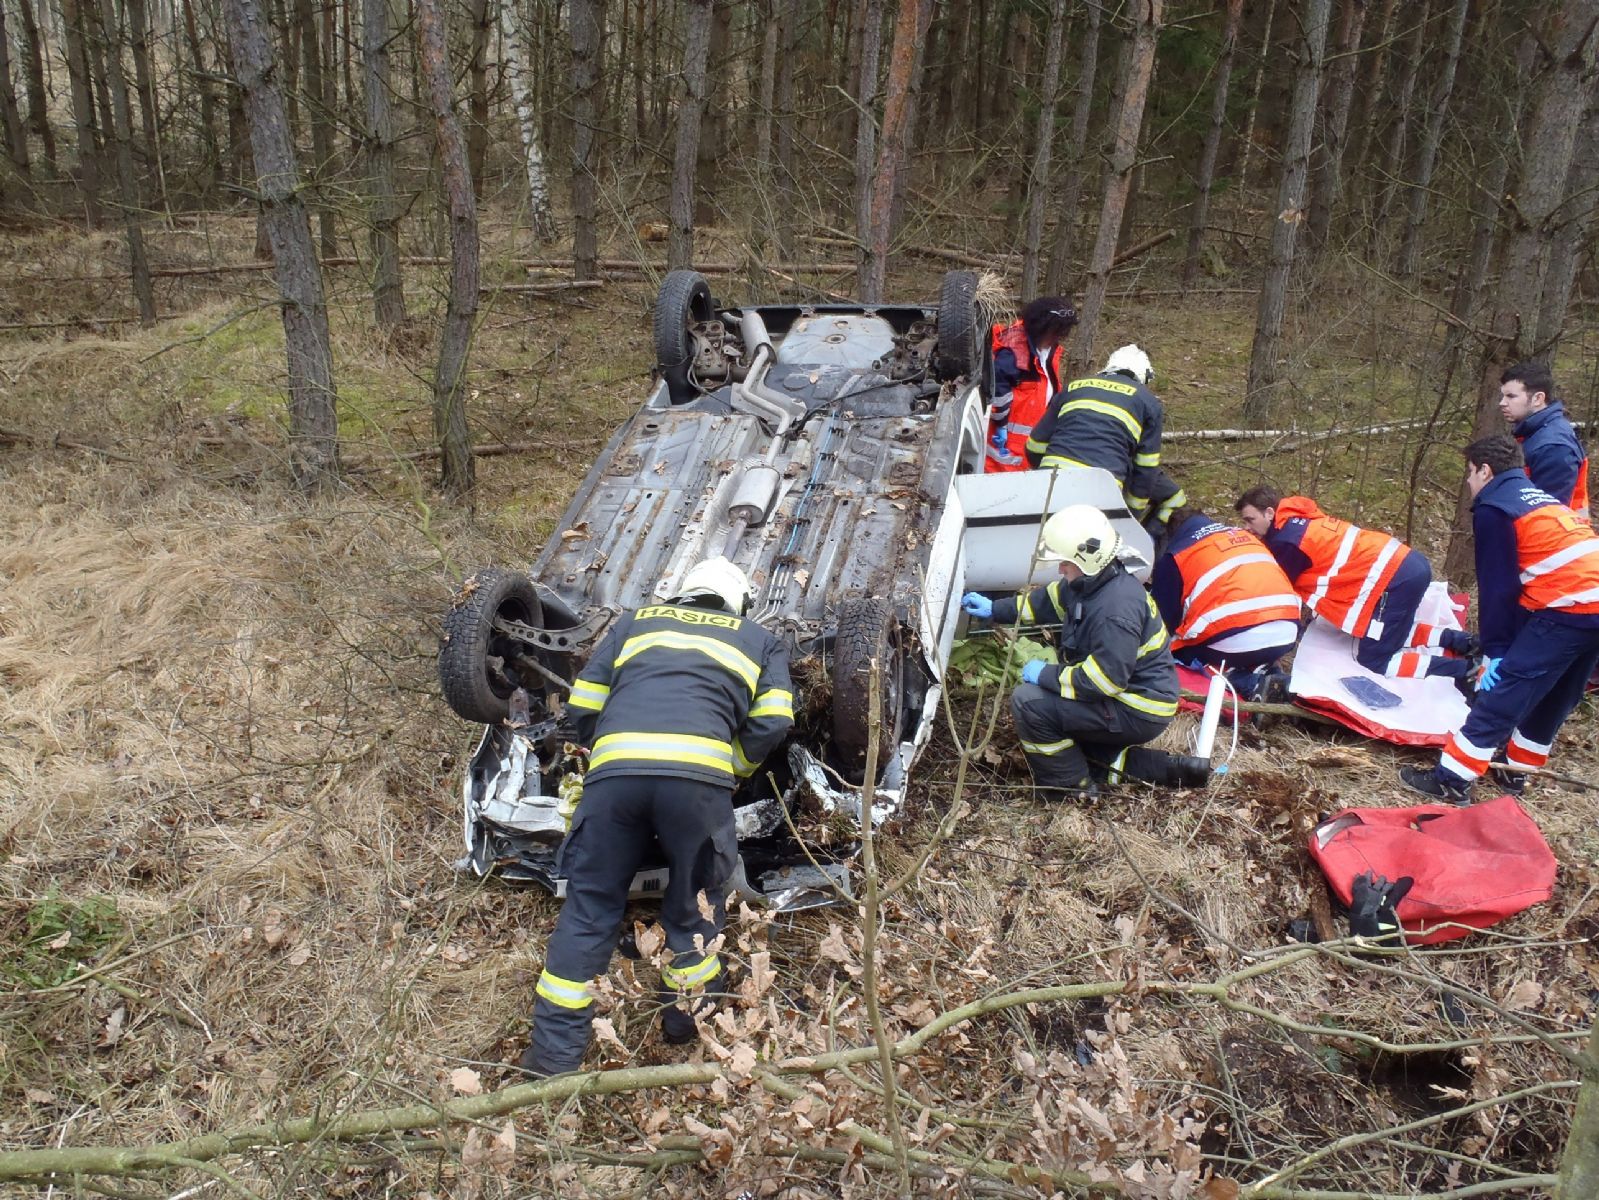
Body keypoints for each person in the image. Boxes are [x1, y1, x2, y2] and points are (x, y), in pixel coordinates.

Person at [519, 557, 794, 1076]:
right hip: (696, 788)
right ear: (737, 601)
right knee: (695, 904)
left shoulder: (635, 622)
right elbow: (776, 715)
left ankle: (552, 1059)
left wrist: (608, 752)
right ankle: (684, 1026)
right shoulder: (759, 639)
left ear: (684, 593)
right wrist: (733, 767)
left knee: (590, 906)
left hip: (614, 782)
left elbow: (584, 700)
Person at [1400, 436, 1599, 803]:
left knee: (1507, 687)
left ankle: (1453, 778)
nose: (1469, 483)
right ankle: (1517, 771)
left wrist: (1496, 649)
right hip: (1591, 603)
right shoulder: (1538, 497)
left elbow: (1498, 587)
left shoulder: (1494, 507)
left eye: (1471, 474)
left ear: (1485, 471)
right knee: (1559, 693)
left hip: (1569, 607)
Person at [960, 505, 1205, 795]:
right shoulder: (1093, 581)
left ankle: (1070, 789)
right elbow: (1048, 602)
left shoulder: (1114, 609)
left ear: (1086, 558)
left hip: (1136, 707)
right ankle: (1171, 770)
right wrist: (995, 609)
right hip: (1133, 699)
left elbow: (1105, 680)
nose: (1060, 569)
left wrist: (1046, 675)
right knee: (1088, 752)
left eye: (1065, 562)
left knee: (1030, 703)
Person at [1234, 487, 1472, 682]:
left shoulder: (1286, 543)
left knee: (1375, 659)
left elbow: (1280, 592)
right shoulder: (1299, 518)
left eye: (1250, 520)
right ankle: (1465, 642)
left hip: (1394, 579)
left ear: (1268, 513)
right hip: (1404, 564)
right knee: (1389, 631)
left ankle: (1465, 672)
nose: (1247, 527)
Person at [1024, 344, 1188, 538]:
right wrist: (1130, 515)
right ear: (1142, 376)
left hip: (1050, 483)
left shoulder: (1074, 387)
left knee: (1043, 542)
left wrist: (1045, 473)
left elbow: (1034, 446)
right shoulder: (1148, 402)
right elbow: (1145, 468)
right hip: (1102, 490)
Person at [1149, 507, 1302, 698]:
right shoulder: (1246, 537)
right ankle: (1266, 671)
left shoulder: (1177, 554)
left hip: (1236, 639)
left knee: (1177, 652)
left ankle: (1245, 681)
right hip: (1287, 632)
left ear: (1173, 534)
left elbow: (1162, 621)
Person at [985, 297, 1078, 472]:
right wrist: (1001, 425)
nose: (1059, 337)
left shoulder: (1048, 353)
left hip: (1030, 449)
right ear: (1043, 328)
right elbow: (996, 391)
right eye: (1056, 332)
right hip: (1004, 454)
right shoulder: (1013, 352)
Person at [1499, 360, 1589, 518]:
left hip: (1555, 539)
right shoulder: (1533, 433)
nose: (1502, 403)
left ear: (1538, 398)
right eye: (1503, 396)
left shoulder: (1554, 446)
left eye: (1511, 396)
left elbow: (1547, 514)